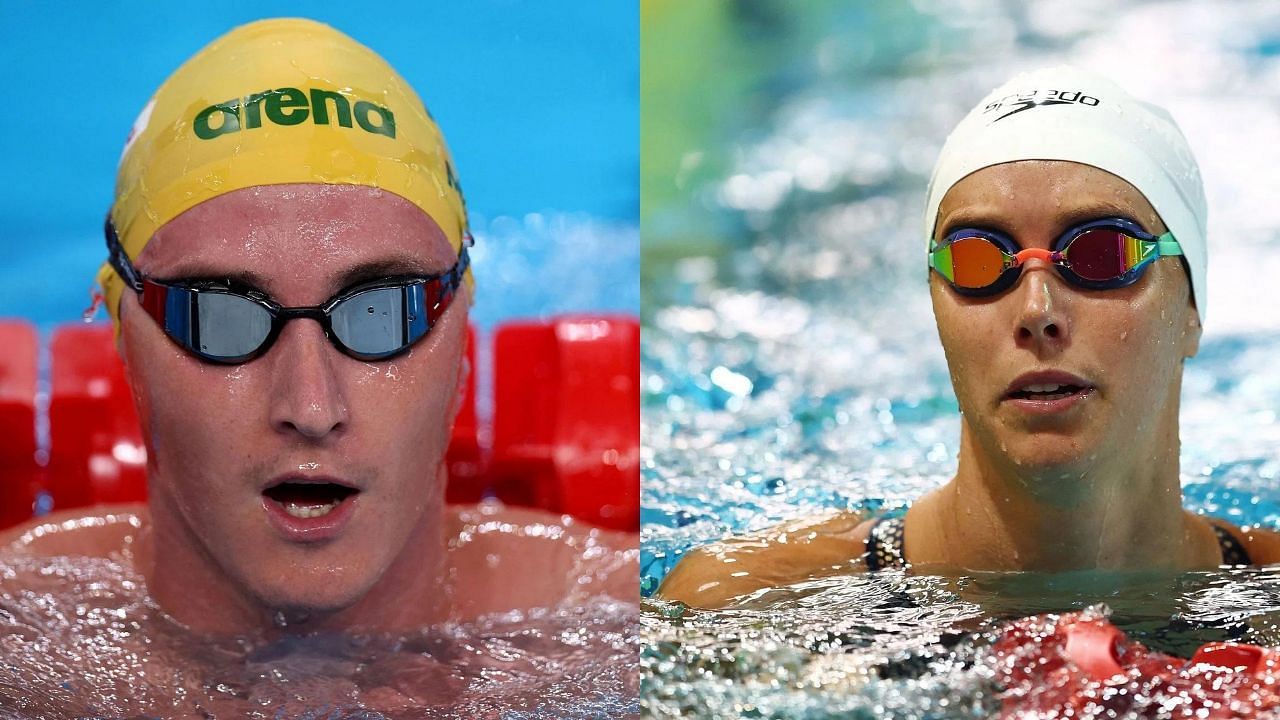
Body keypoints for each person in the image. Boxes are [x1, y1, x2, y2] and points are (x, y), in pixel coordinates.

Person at [0, 18, 634, 634]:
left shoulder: (627, 624)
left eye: (382, 311)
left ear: (461, 353)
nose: (310, 406)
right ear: (126, 347)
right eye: (220, 315)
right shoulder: (23, 639)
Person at [658, 66, 1280, 609]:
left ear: (1192, 307)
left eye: (1099, 251)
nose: (1037, 310)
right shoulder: (748, 604)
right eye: (980, 260)